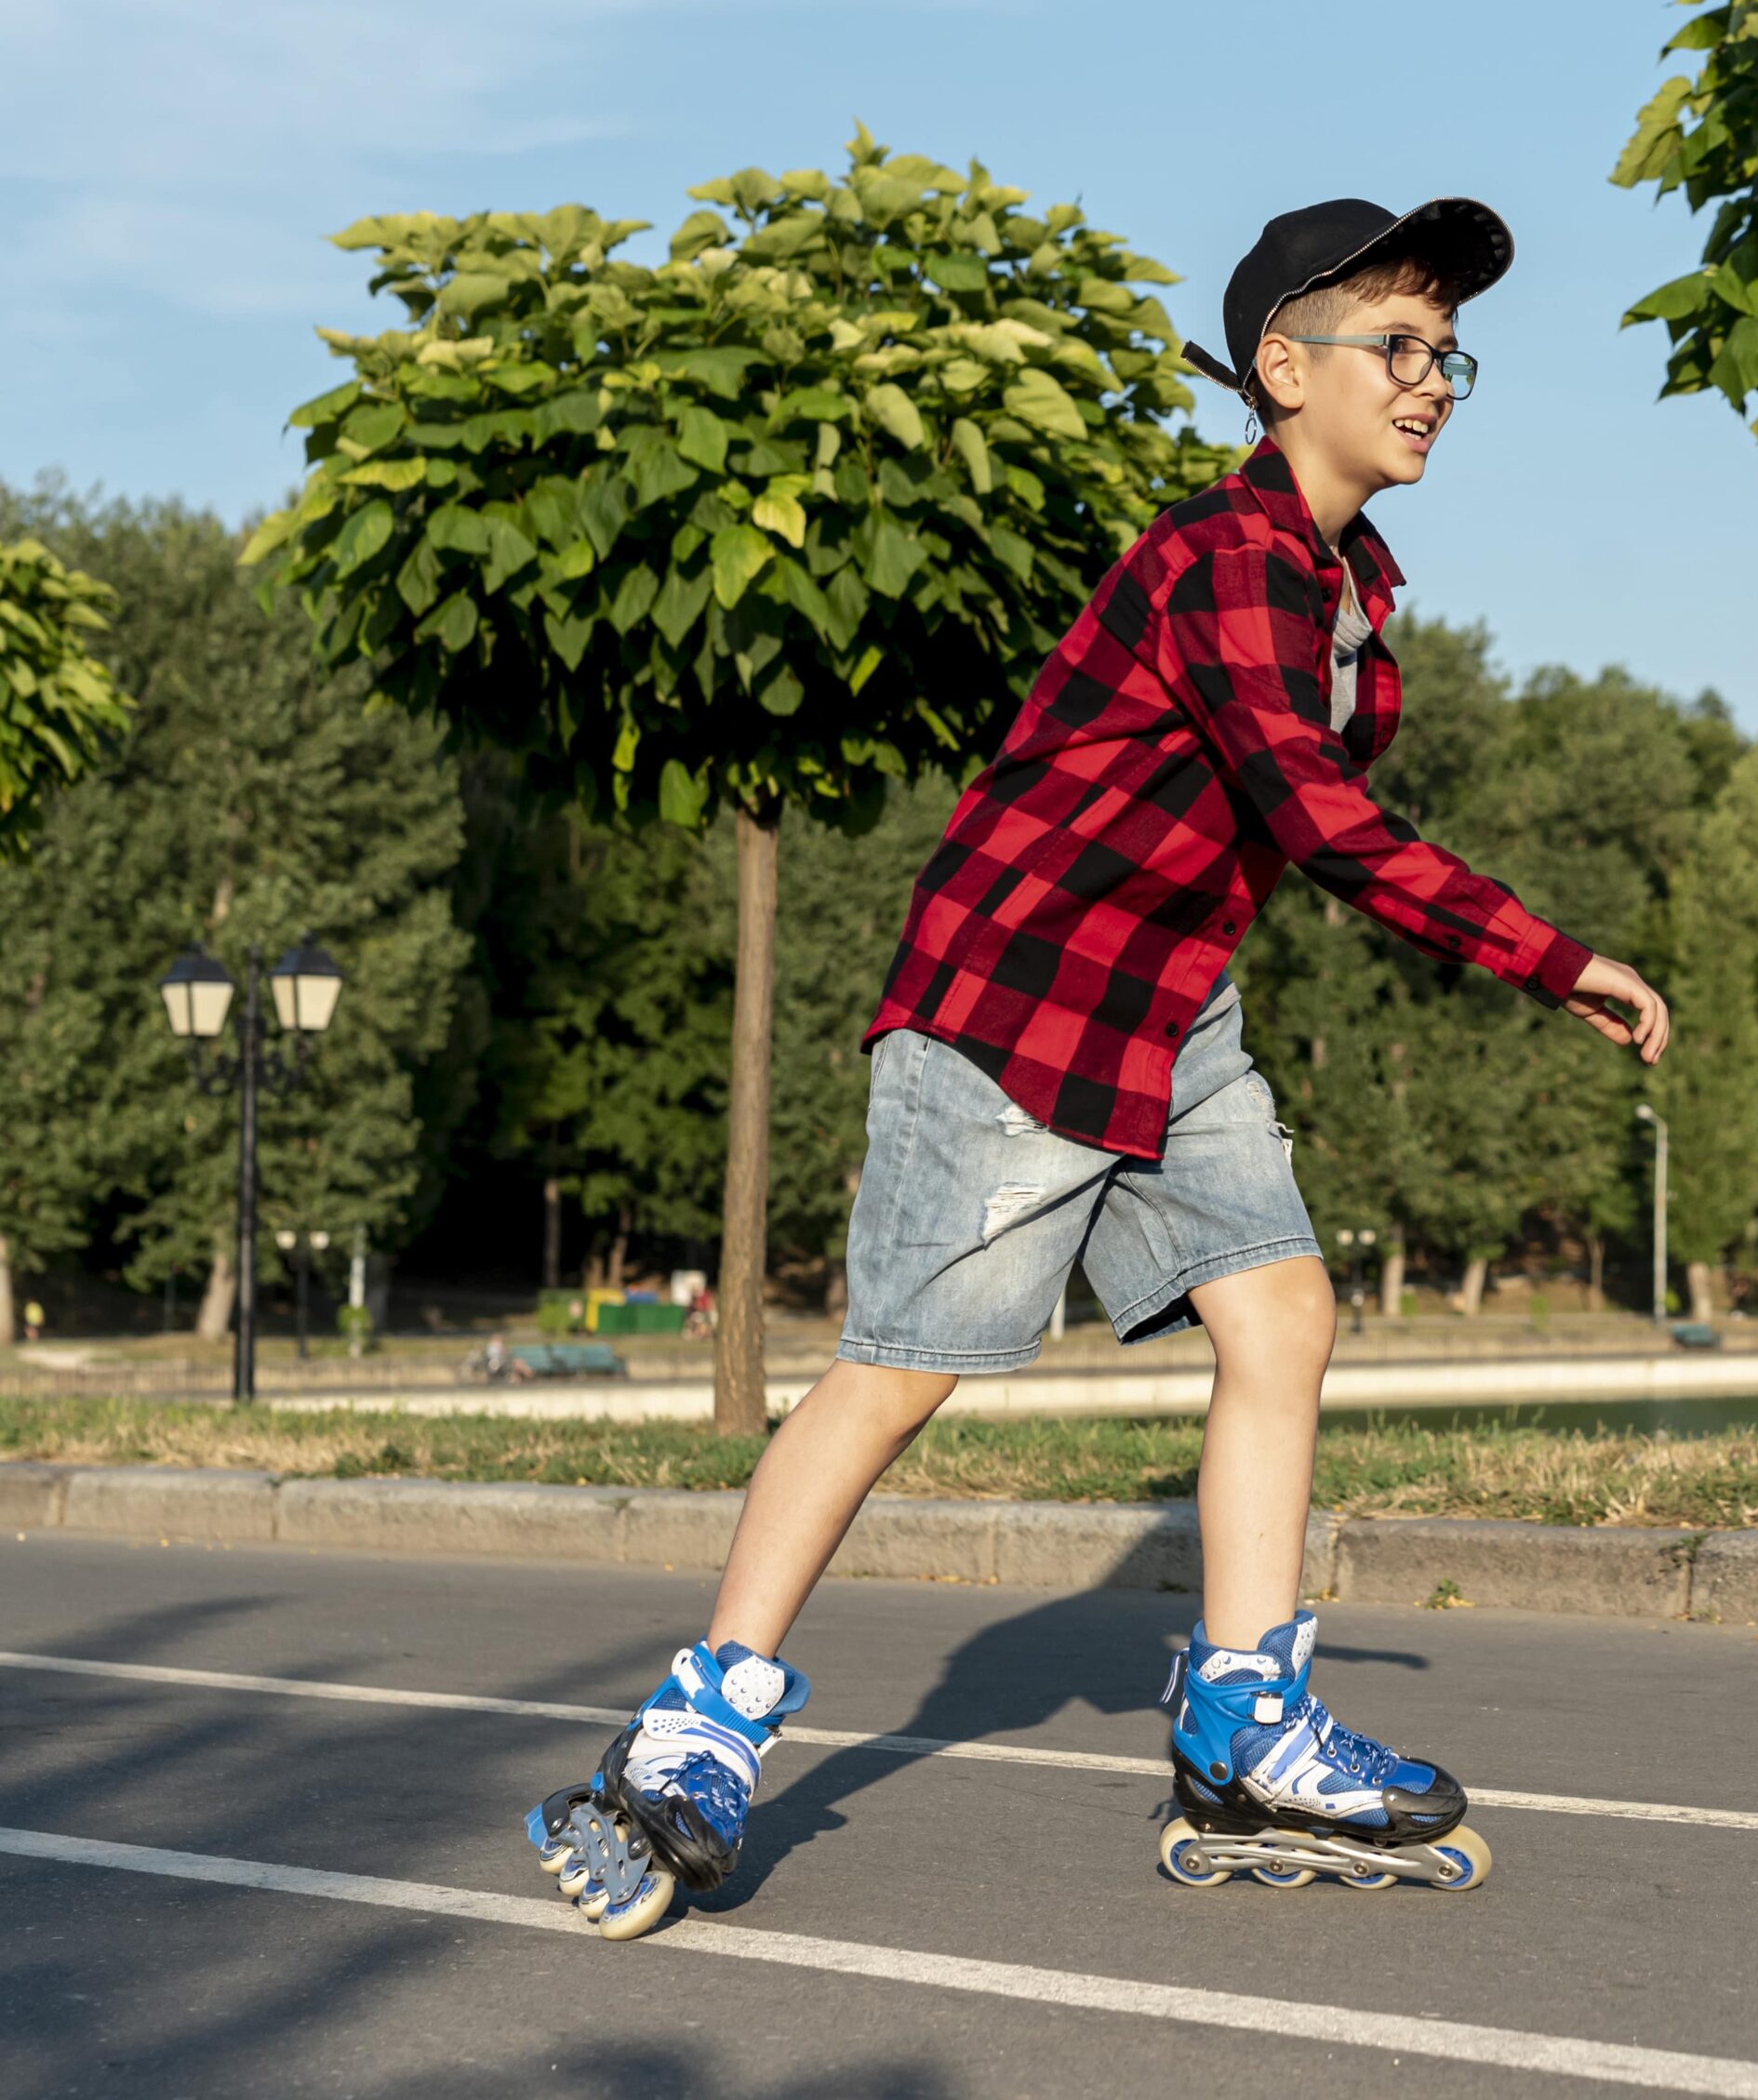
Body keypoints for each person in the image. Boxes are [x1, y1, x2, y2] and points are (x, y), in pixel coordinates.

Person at [528, 196, 1671, 1935]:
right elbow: (1314, 812)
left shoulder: (1347, 583)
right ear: (1284, 370)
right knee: (902, 1370)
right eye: (1399, 347)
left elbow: (1279, 819)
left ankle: (1243, 1724)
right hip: (1013, 1006)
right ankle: (690, 1732)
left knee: (1283, 1314)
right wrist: (1549, 956)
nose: (1434, 381)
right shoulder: (1222, 556)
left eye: (1452, 356)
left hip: (1166, 1016)